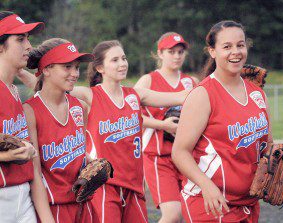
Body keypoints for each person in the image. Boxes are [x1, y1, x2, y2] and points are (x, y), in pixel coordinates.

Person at [69, 40, 190, 222]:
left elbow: (180, 97)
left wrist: (221, 82)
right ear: (100, 68)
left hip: (134, 186)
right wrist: (25, 72)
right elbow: (55, 87)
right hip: (105, 185)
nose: (122, 63)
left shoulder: (135, 95)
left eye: (124, 58)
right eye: (115, 60)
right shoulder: (91, 95)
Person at [172, 20, 273, 223]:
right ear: (212, 51)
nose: (235, 52)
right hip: (211, 202)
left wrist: (274, 163)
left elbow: (267, 144)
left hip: (248, 202)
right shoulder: (204, 94)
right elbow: (179, 152)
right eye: (227, 47)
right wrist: (206, 185)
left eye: (240, 45)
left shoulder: (256, 93)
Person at [22, 38, 100, 223]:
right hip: (53, 209)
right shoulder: (30, 111)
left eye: (76, 67)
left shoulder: (80, 107)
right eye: (67, 67)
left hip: (85, 206)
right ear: (46, 69)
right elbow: (34, 175)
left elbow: (78, 154)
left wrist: (89, 161)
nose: (74, 73)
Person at [135, 32, 198, 223]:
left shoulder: (191, 82)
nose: (177, 56)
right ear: (160, 53)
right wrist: (162, 125)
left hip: (187, 156)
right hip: (158, 157)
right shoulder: (149, 80)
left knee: (192, 213)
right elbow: (128, 114)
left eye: (181, 52)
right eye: (171, 51)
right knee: (172, 215)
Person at [0, 11, 56, 223]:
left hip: (24, 196)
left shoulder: (13, 89)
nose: (29, 46)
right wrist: (7, 157)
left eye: (28, 39)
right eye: (20, 39)